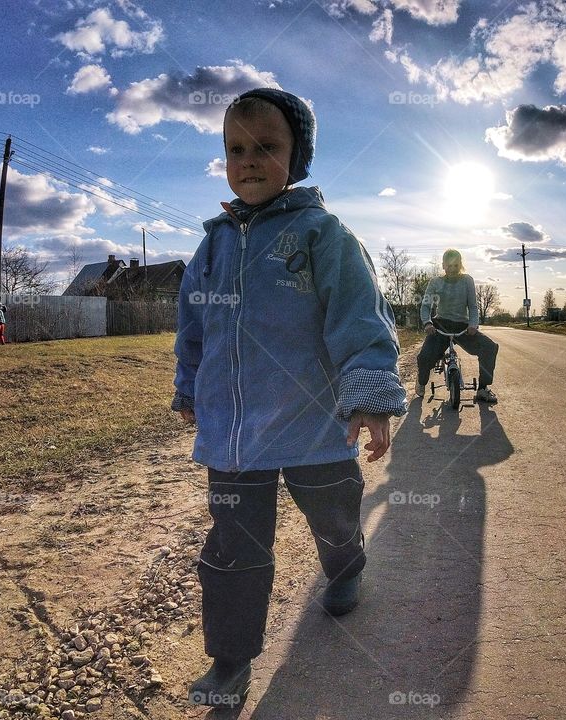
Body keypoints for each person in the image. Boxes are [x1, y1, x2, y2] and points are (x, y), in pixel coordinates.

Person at [171, 87, 407, 713]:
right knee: (232, 546)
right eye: (235, 149)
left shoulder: (321, 235)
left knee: (332, 514)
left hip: (313, 426)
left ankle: (347, 564)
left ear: (297, 157)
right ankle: (229, 659)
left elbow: (360, 320)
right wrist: (189, 388)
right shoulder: (213, 244)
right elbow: (192, 325)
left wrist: (369, 396)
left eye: (266, 148)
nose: (248, 161)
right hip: (235, 436)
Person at [416, 249, 499, 403]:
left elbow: (473, 307)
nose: (453, 269)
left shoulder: (467, 280)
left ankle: (482, 389)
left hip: (463, 326)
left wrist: (473, 324)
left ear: (461, 265)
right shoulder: (436, 282)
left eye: (456, 265)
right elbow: (426, 305)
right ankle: (421, 382)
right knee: (425, 356)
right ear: (443, 265)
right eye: (449, 265)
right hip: (441, 325)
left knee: (489, 347)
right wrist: (427, 323)